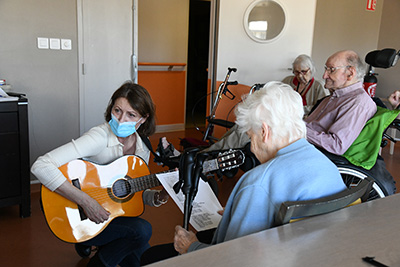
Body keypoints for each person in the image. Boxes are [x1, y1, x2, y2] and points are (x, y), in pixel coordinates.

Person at [141, 82, 347, 263]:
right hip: (309, 256)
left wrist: (191, 247)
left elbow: (233, 260)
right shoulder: (325, 164)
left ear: (264, 132)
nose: (252, 147)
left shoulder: (258, 182)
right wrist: (238, 211)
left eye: (250, 136)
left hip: (260, 258)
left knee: (151, 257)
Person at [31, 82, 169, 267]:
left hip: (112, 215)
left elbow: (134, 193)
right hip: (78, 213)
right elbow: (41, 165)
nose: (121, 120)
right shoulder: (99, 137)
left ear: (143, 119)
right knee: (142, 231)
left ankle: (101, 245)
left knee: (145, 262)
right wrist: (86, 202)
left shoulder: (142, 149)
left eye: (131, 115)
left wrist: (160, 195)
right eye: (117, 110)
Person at [206, 50, 378, 157]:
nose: (324, 75)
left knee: (254, 128)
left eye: (330, 69)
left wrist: (295, 126)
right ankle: (210, 155)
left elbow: (336, 145)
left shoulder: (358, 103)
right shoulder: (336, 96)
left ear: (350, 73)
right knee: (248, 122)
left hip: (304, 145)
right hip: (299, 135)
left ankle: (206, 158)